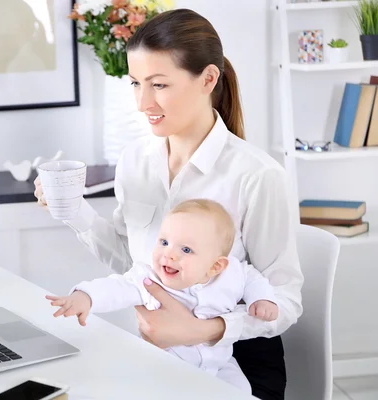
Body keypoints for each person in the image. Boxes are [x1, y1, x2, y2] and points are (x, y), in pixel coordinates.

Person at [34, 9, 303, 400]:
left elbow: (286, 301)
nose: (143, 103)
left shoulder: (257, 176)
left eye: (159, 85)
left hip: (237, 367)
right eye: (135, 84)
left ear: (208, 79)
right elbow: (133, 263)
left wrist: (205, 330)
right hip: (161, 360)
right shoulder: (135, 160)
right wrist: (73, 211)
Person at [46, 199, 279, 393]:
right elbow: (117, 287)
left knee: (241, 391)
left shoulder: (232, 273)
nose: (169, 254)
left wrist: (261, 299)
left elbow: (253, 278)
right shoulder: (150, 278)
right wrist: (86, 297)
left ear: (216, 266)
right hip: (168, 364)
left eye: (185, 250)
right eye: (164, 242)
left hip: (220, 362)